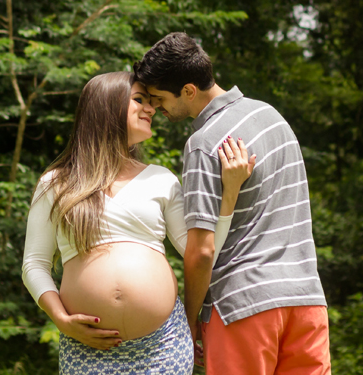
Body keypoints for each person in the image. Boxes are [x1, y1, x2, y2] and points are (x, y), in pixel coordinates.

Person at [21, 71, 256, 374]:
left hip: (163, 345)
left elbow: (200, 251)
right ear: (106, 107)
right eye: (139, 100)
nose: (151, 108)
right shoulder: (56, 183)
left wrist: (230, 193)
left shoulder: (161, 179)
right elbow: (34, 263)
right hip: (87, 349)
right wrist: (61, 320)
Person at [133, 32, 331, 375]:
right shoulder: (272, 117)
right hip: (307, 300)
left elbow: (202, 251)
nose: (155, 108)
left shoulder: (204, 143)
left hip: (243, 306)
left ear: (189, 91)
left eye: (159, 98)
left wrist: (190, 320)